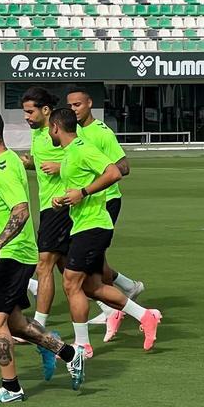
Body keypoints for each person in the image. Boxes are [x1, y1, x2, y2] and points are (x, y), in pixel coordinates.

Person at [0, 109, 85, 401]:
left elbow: (20, 210)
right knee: (16, 322)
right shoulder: (0, 163)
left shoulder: (4, 167)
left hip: (11, 254)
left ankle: (11, 387)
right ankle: (69, 353)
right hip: (14, 253)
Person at [49, 108, 163, 352]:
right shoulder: (69, 153)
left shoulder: (82, 148)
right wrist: (64, 198)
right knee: (91, 287)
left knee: (71, 283)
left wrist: (83, 193)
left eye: (50, 129)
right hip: (83, 224)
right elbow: (79, 186)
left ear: (56, 127)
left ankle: (82, 346)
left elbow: (114, 172)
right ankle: (145, 316)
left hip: (94, 225)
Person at [65, 89, 145, 340]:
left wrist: (90, 186)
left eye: (78, 104)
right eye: (70, 106)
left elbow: (123, 167)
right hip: (84, 203)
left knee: (87, 264)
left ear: (90, 104)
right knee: (92, 261)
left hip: (105, 201)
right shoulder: (74, 134)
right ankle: (125, 289)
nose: (74, 109)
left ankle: (112, 305)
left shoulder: (101, 133)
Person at [19, 87, 69, 332]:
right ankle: (121, 308)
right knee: (74, 273)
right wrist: (30, 164)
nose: (26, 116)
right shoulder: (38, 134)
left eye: (30, 111)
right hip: (48, 205)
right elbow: (43, 166)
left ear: (46, 110)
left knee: (44, 264)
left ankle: (38, 325)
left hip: (59, 205)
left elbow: (90, 157)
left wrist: (62, 166)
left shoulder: (58, 132)